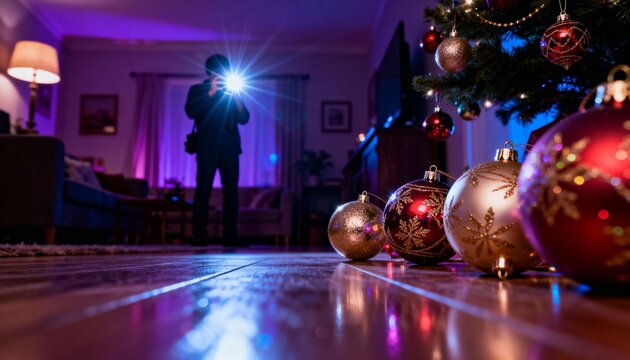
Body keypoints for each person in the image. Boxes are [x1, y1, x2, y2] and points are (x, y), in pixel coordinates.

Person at [185, 54, 250, 246]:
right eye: (218, 71)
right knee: (203, 190)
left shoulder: (232, 92)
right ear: (210, 73)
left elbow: (244, 118)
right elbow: (191, 111)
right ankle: (199, 235)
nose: (222, 74)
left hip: (230, 148)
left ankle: (230, 236)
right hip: (207, 147)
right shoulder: (198, 90)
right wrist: (211, 92)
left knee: (231, 193)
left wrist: (237, 94)